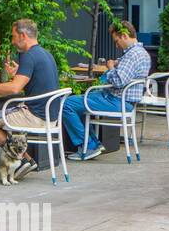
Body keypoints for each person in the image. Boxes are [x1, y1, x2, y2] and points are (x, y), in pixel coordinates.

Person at [0, 19, 61, 182]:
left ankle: (20, 161)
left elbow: (15, 88)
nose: (12, 40)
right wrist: (18, 73)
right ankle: (24, 161)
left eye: (13, 36)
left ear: (23, 35)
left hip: (35, 116)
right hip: (51, 117)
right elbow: (34, 81)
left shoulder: (28, 56)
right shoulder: (45, 54)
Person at [63, 20, 152, 161]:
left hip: (117, 101)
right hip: (125, 102)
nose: (116, 45)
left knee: (68, 104)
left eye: (116, 41)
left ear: (124, 35)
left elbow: (118, 81)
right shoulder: (142, 53)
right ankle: (91, 144)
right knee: (79, 101)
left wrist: (110, 67)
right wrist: (118, 63)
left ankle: (89, 146)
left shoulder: (131, 55)